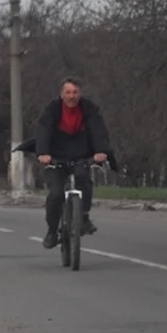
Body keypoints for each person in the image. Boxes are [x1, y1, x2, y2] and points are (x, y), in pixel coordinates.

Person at [35, 77, 112, 249]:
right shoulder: (52, 109)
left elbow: (98, 130)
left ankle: (83, 216)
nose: (72, 96)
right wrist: (43, 153)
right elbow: (43, 130)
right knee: (55, 194)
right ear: (61, 94)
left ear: (80, 94)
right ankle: (52, 230)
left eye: (75, 92)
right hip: (56, 157)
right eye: (68, 92)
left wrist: (101, 151)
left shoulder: (88, 109)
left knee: (83, 179)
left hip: (81, 156)